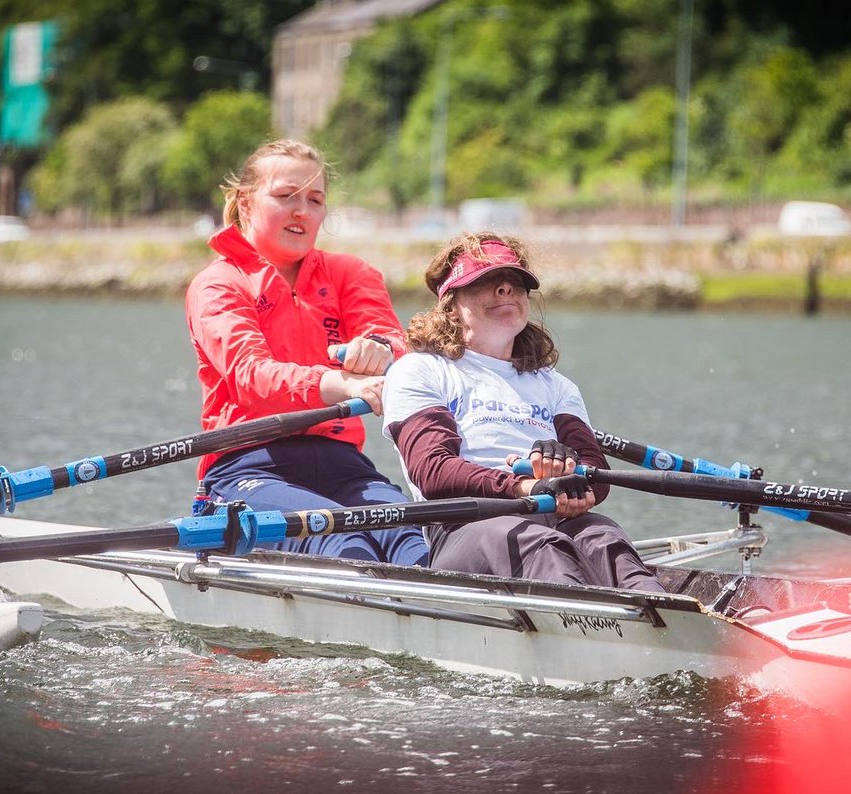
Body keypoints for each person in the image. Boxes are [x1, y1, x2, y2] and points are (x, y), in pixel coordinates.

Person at [185, 139, 428, 567]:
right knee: (338, 540)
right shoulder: (218, 284)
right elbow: (250, 376)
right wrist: (337, 383)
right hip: (246, 466)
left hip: (343, 464)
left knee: (414, 538)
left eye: (314, 200)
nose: (302, 210)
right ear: (245, 202)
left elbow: (394, 343)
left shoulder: (350, 273)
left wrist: (380, 351)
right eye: (285, 197)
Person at [381, 232, 664, 592]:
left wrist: (572, 472)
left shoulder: (555, 385)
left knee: (604, 536)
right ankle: (590, 633)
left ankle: (673, 625)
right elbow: (433, 471)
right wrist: (525, 486)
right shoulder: (421, 370)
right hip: (465, 526)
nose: (505, 290)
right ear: (451, 304)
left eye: (515, 283)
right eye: (486, 281)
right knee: (537, 542)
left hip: (552, 520)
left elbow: (596, 471)